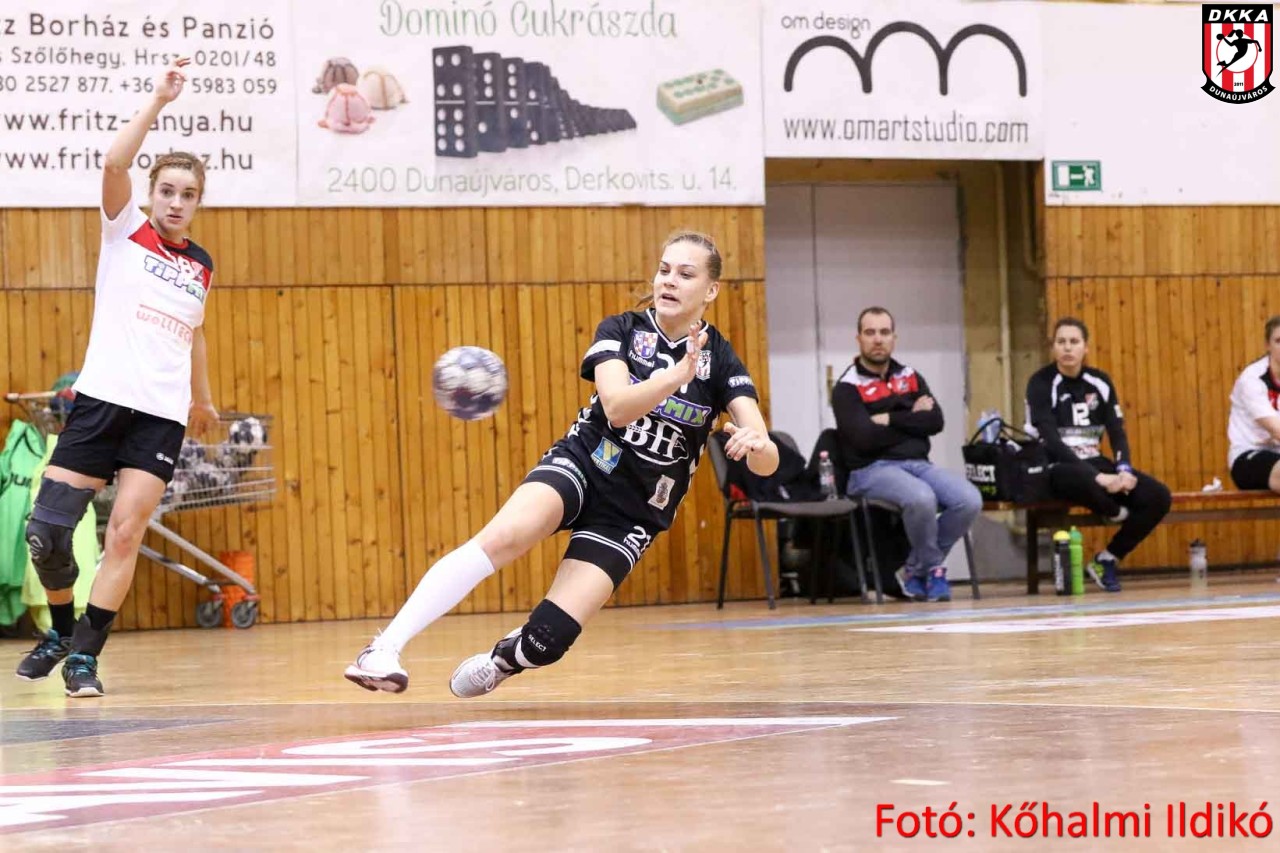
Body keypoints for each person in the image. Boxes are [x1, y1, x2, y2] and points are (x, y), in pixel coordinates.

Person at [345, 231, 778, 697]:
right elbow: (616, 407)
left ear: (711, 290)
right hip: (585, 464)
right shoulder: (621, 330)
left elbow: (767, 465)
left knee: (549, 641)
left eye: (685, 274)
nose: (669, 280)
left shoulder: (721, 360)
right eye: (664, 269)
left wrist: (757, 443)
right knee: (504, 537)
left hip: (634, 512)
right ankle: (382, 649)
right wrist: (675, 377)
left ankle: (504, 658)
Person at [15, 58, 219, 697]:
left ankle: (84, 658)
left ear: (198, 202)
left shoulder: (202, 265)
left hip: (160, 416)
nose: (177, 203)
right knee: (48, 533)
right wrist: (158, 100)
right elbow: (113, 162)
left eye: (188, 194)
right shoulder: (125, 230)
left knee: (125, 532)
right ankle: (60, 631)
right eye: (168, 191)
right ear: (152, 194)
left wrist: (203, 400)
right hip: (102, 402)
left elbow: (194, 332)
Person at [830, 307, 982, 603]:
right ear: (858, 338)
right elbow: (863, 438)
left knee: (969, 500)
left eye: (884, 332)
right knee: (922, 498)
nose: (878, 339)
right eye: (870, 333)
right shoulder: (847, 387)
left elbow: (935, 421)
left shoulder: (910, 376)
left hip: (918, 464)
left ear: (894, 338)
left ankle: (915, 569)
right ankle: (933, 569)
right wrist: (911, 417)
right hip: (870, 470)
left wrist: (888, 418)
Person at [1025, 317, 1170, 593]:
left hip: (1095, 462)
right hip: (1056, 466)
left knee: (1159, 496)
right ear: (1053, 347)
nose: (1068, 348)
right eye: (1061, 342)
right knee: (1078, 476)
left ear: (1085, 347)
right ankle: (1115, 511)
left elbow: (1117, 432)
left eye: (1074, 342)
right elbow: (1051, 441)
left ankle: (1107, 559)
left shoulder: (1099, 382)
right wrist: (1099, 478)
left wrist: (1123, 469)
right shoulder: (1041, 383)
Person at [1227, 316, 1280, 493]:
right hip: (1248, 455)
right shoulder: (1252, 379)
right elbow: (1276, 430)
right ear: (1267, 345)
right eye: (1279, 341)